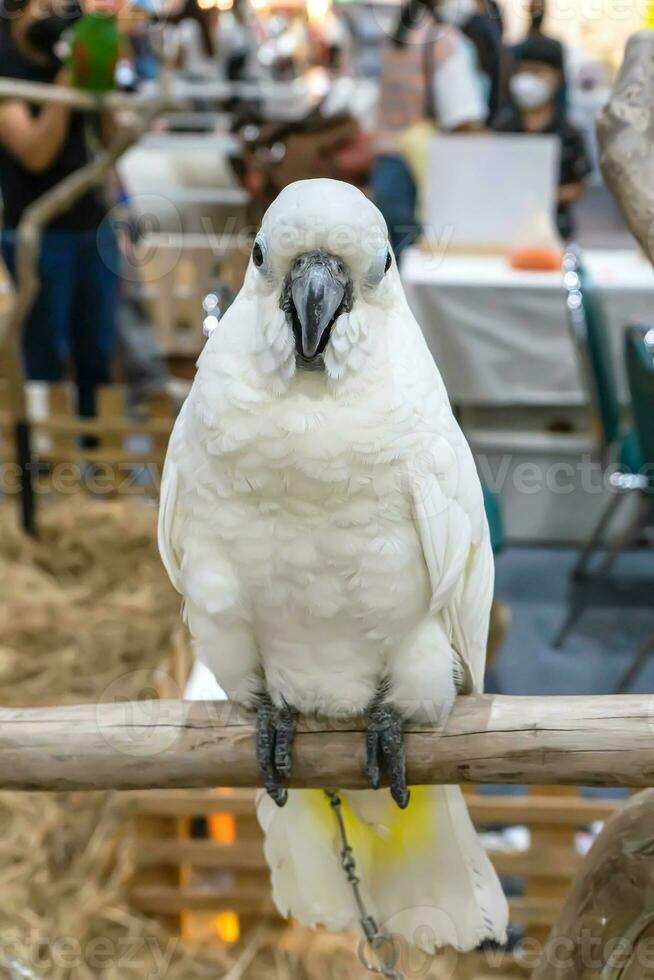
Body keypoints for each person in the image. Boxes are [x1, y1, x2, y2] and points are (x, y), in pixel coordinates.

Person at [0, 0, 119, 418]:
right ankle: (44, 464)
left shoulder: (71, 41)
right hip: (38, 232)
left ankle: (96, 456)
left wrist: (99, 76)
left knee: (98, 355)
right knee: (45, 358)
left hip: (94, 228)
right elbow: (35, 152)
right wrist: (68, 80)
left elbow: (110, 139)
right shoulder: (6, 61)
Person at [373, 0, 487, 256]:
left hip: (387, 165)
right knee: (421, 260)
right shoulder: (442, 41)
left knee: (390, 258)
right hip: (421, 168)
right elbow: (462, 116)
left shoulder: (395, 35)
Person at [492, 35, 591, 241]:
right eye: (522, 71)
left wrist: (546, 197)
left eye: (537, 72)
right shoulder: (502, 127)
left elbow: (580, 183)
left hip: (556, 231)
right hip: (505, 229)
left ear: (557, 77)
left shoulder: (569, 133)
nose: (527, 79)